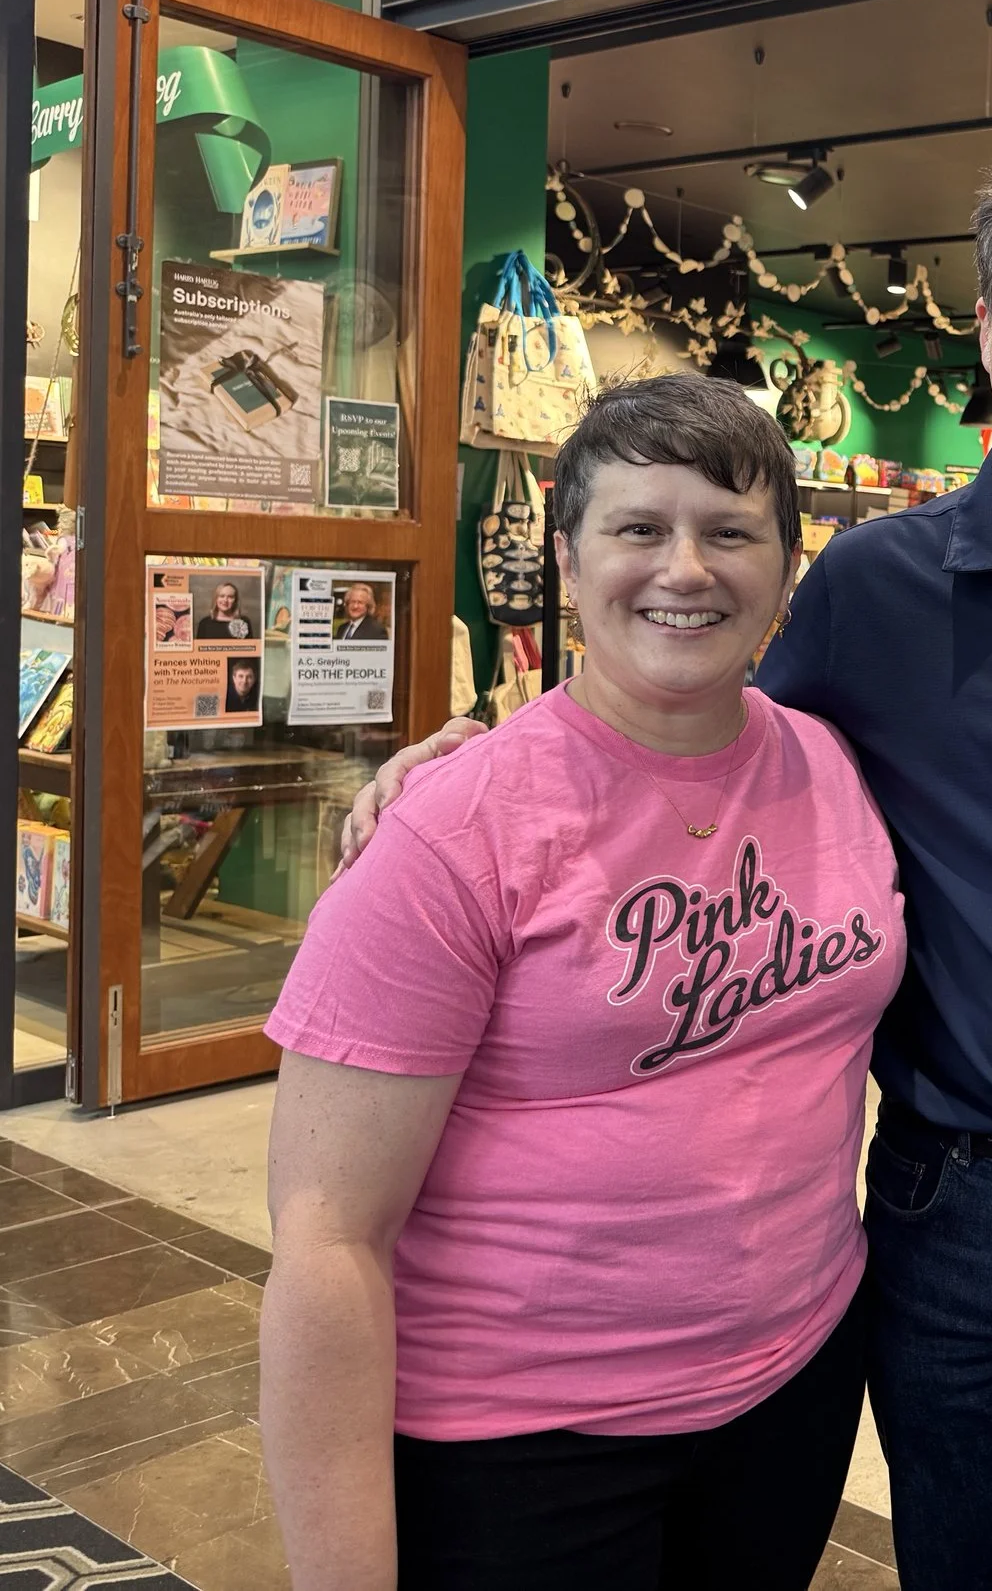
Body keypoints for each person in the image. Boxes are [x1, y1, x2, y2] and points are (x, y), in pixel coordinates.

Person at [345, 149, 992, 1588]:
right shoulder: (864, 585)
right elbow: (689, 716)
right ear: (983, 324)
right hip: (947, 1213)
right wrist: (478, 756)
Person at [267, 374, 903, 1591]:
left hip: (794, 1382)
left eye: (730, 533)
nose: (687, 570)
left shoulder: (826, 759)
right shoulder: (454, 829)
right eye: (638, 529)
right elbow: (327, 1240)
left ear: (784, 568)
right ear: (565, 556)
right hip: (526, 1440)